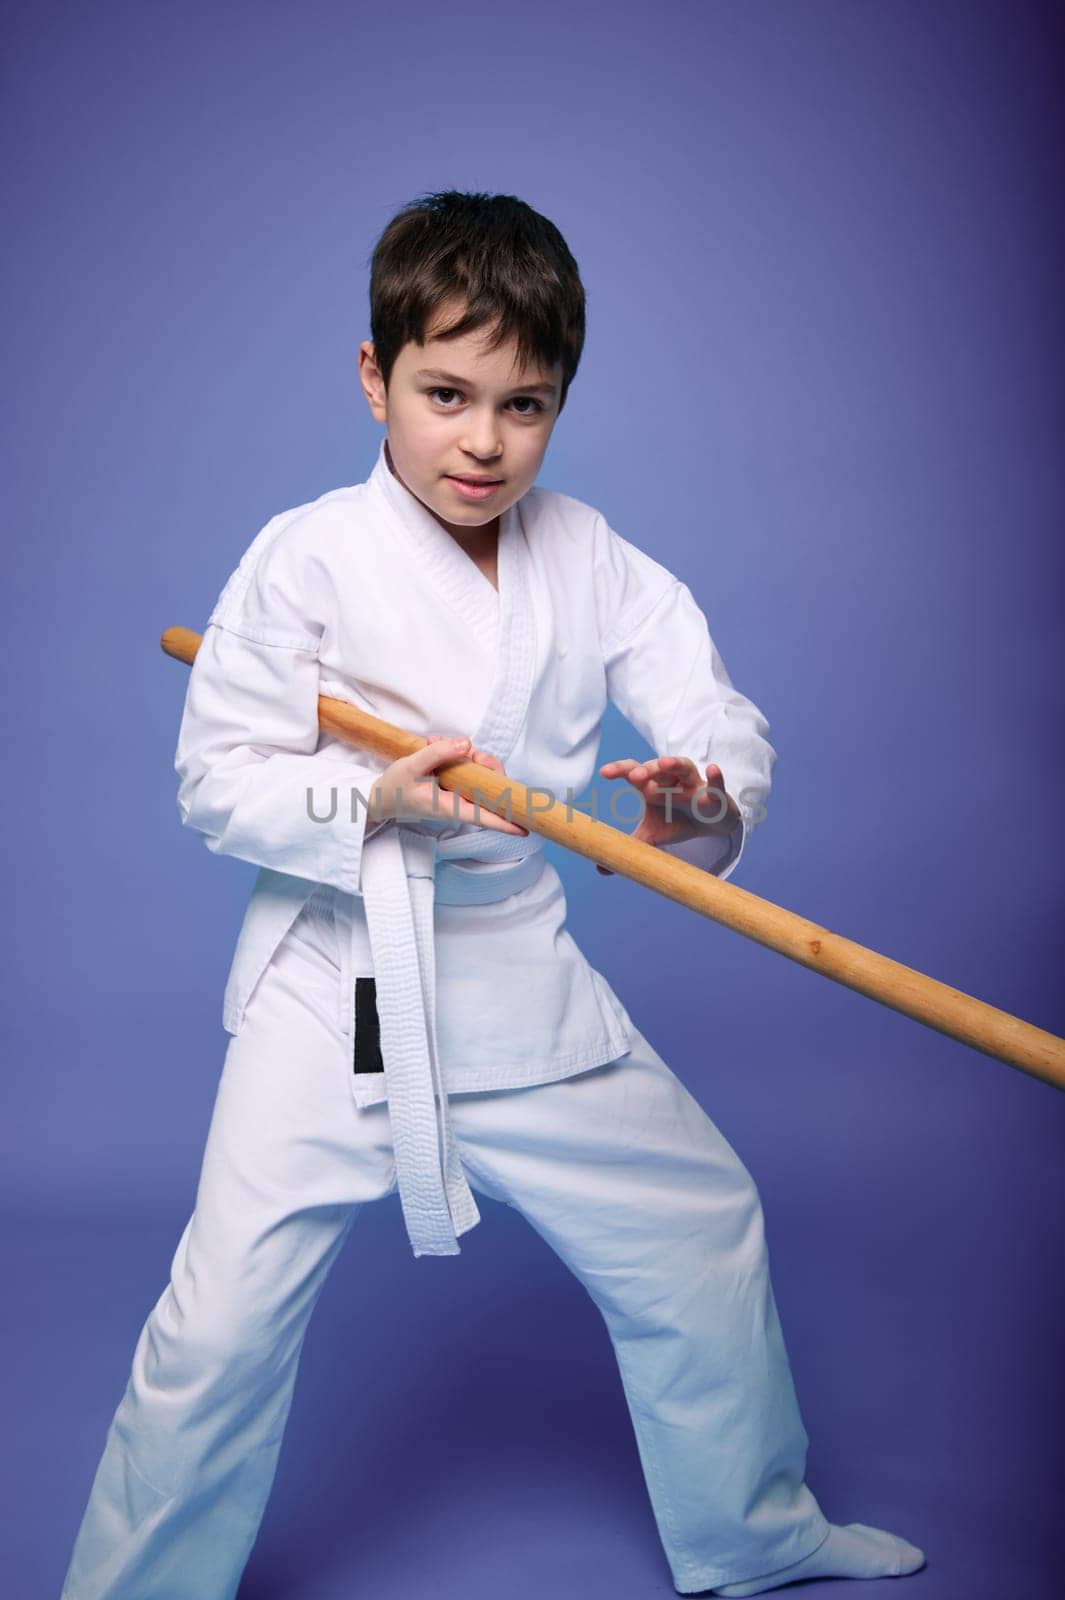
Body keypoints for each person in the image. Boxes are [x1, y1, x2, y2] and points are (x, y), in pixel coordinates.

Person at [60, 189, 926, 1599]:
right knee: (216, 1328)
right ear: (373, 376)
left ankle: (754, 1533)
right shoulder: (306, 555)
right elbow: (216, 777)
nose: (482, 440)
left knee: (699, 1227)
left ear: (560, 401)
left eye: (522, 405)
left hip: (513, 967)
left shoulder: (593, 557)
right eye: (445, 393)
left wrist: (700, 803)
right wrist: (373, 799)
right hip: (339, 981)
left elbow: (714, 714)